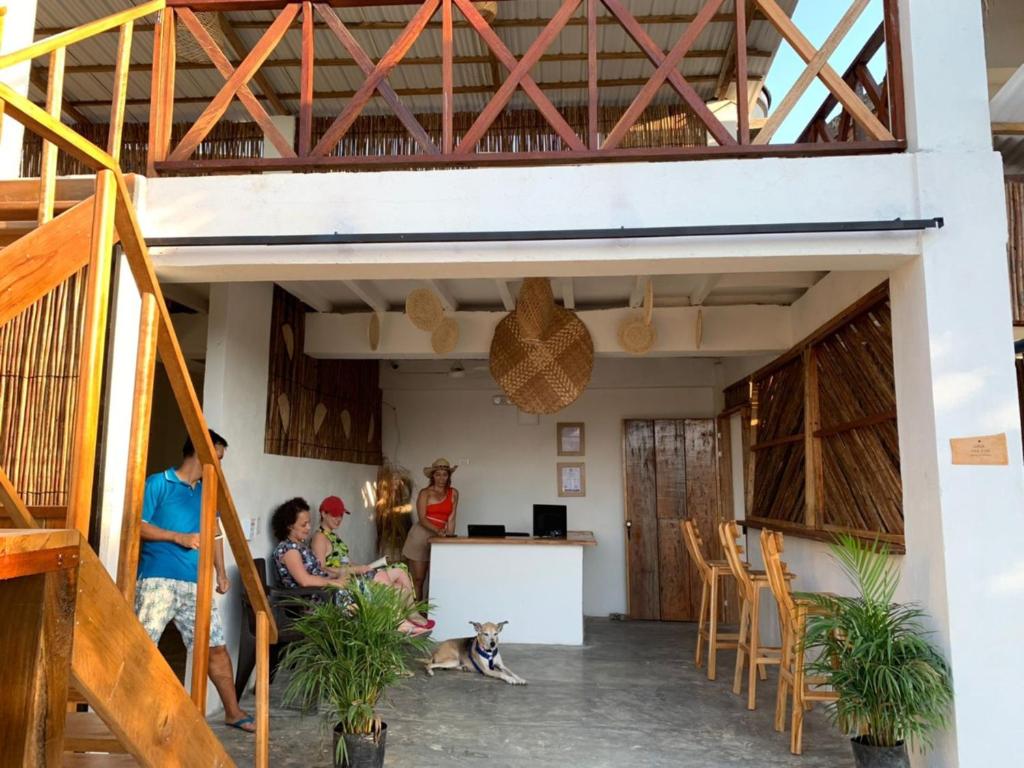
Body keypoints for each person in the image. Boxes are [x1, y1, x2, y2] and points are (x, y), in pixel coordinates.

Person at [135, 429, 255, 733]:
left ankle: (232, 711)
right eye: (218, 457)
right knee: (143, 648)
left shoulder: (207, 492)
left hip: (195, 583)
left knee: (215, 646)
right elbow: (138, 526)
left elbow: (214, 533)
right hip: (157, 580)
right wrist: (177, 537)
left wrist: (221, 573)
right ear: (200, 452)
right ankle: (133, 715)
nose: (220, 465)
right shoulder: (158, 483)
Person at [270, 497, 431, 633]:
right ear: (289, 526)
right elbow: (304, 580)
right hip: (321, 599)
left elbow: (319, 570)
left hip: (328, 591)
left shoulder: (298, 547)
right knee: (380, 579)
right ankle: (399, 623)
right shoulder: (289, 550)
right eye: (303, 525)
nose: (308, 528)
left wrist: (338, 574)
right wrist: (335, 582)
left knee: (382, 577)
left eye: (308, 523)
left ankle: (400, 621)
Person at [310, 495, 424, 606]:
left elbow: (347, 562)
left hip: (351, 576)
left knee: (400, 569)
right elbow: (322, 569)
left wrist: (365, 567)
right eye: (334, 515)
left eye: (341, 515)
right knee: (397, 587)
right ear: (323, 513)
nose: (339, 519)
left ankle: (413, 614)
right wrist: (356, 570)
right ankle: (406, 619)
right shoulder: (320, 537)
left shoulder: (334, 536)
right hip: (343, 582)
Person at [402, 458, 459, 601]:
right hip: (421, 536)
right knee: (419, 579)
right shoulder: (425, 493)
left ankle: (430, 616)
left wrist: (449, 540)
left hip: (440, 537)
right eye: (438, 474)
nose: (441, 478)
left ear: (449, 476)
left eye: (444, 474)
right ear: (432, 476)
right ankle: (416, 615)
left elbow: (451, 519)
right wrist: (437, 531)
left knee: (437, 579)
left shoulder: (454, 493)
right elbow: (422, 519)